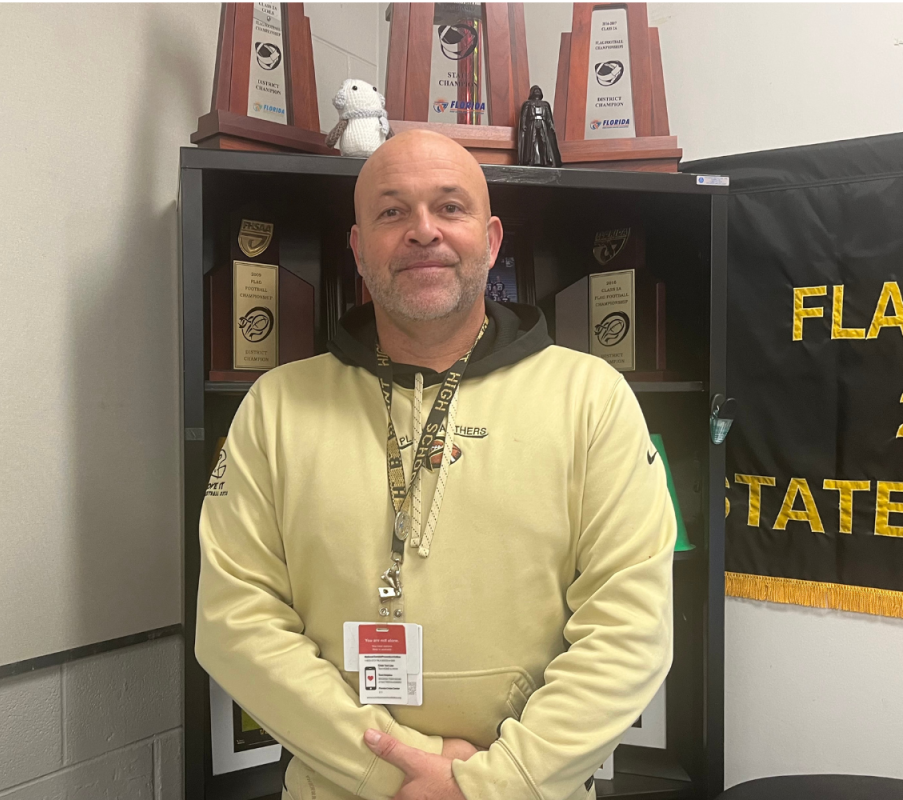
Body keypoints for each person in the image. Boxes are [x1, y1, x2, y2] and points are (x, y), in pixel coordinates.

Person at [196, 130, 675, 800]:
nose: (423, 231)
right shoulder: (276, 407)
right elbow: (235, 626)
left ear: (492, 238)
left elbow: (629, 629)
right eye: (392, 212)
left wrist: (493, 785)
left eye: (450, 207)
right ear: (359, 251)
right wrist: (398, 771)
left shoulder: (591, 400)